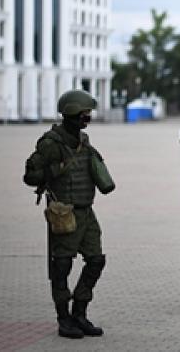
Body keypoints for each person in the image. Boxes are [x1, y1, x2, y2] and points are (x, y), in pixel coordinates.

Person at [23, 90, 113, 339]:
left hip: (86, 212)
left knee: (96, 260)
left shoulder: (84, 140)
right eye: (84, 115)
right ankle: (64, 318)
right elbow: (30, 176)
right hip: (64, 214)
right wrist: (55, 170)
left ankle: (79, 312)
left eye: (89, 115)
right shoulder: (51, 143)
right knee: (62, 266)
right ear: (71, 114)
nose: (87, 119)